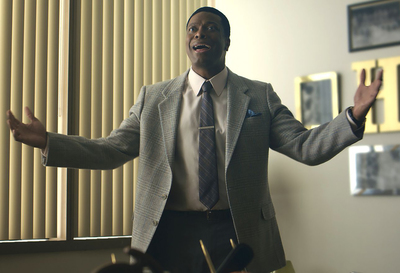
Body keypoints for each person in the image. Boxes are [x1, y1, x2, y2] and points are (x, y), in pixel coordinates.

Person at [6, 6, 382, 273]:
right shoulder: (154, 98)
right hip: (168, 231)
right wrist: (48, 141)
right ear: (187, 41)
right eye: (193, 28)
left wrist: (353, 117)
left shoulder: (259, 96)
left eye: (211, 27)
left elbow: (305, 147)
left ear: (227, 41)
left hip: (237, 228)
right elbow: (112, 150)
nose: (200, 32)